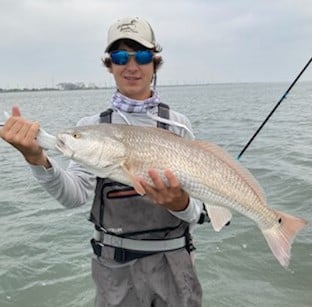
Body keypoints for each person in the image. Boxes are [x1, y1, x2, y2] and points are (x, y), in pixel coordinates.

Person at [0, 17, 205, 306]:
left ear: (155, 63)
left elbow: (197, 213)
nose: (131, 66)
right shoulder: (92, 125)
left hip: (175, 264)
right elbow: (74, 196)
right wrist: (36, 158)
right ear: (109, 65)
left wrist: (179, 203)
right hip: (114, 270)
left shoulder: (178, 126)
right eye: (120, 57)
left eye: (143, 56)